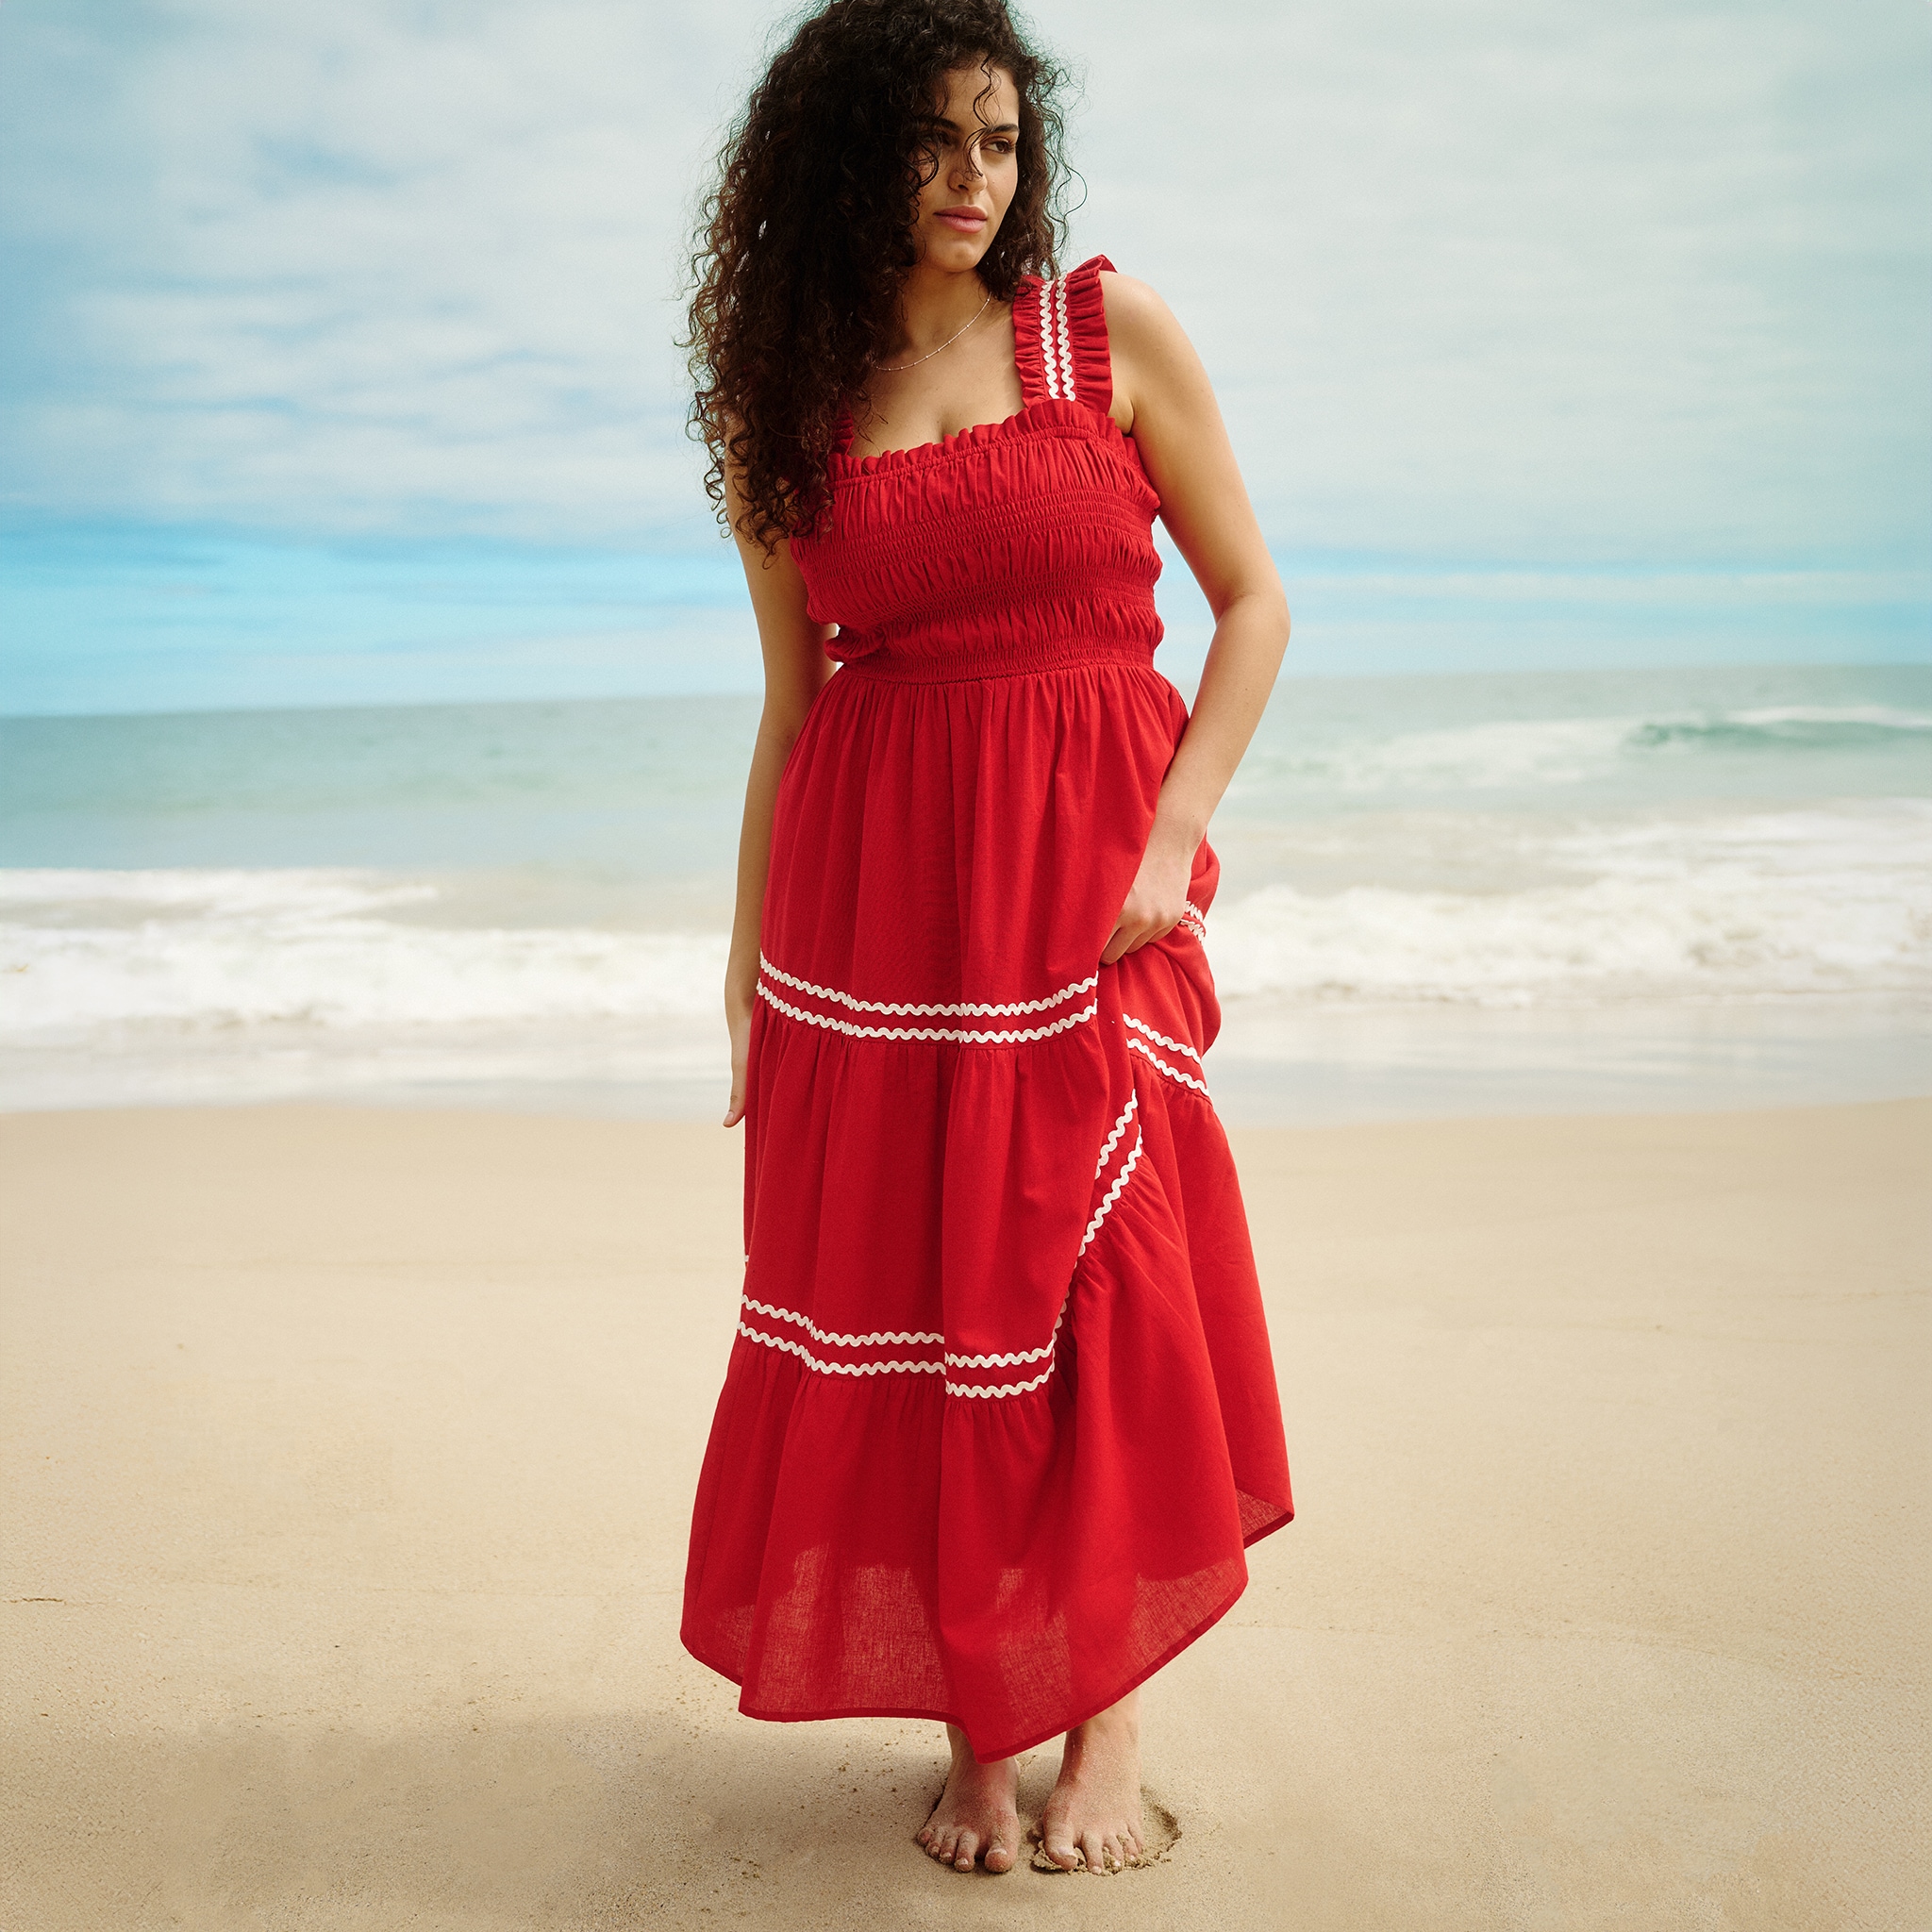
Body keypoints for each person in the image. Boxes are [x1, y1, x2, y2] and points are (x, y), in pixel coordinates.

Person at [678, 0, 1293, 1878]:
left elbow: (1254, 605)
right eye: (933, 140)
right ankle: (979, 1729)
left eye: (1002, 142)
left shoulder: (1105, 335)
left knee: (1100, 1277)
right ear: (844, 158)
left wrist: (1171, 842)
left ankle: (1106, 1721)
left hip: (1090, 887)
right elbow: (793, 712)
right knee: (939, 1294)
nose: (974, 179)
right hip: (882, 917)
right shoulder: (785, 408)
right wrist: (745, 979)